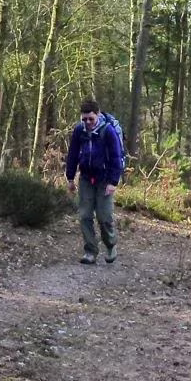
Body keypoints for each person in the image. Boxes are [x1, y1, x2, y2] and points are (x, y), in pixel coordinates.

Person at [65, 99, 125, 265]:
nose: (88, 122)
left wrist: (113, 182)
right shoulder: (79, 131)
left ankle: (110, 244)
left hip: (105, 179)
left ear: (97, 115)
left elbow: (116, 157)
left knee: (104, 217)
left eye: (91, 118)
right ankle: (90, 251)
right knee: (84, 215)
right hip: (86, 178)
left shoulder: (108, 131)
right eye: (84, 119)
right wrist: (70, 177)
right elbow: (73, 154)